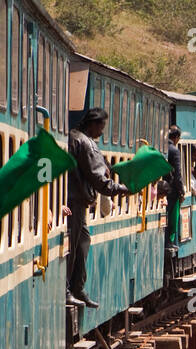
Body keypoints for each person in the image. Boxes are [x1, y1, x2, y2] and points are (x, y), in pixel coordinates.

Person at [65, 107, 130, 308]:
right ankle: (69, 290)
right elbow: (98, 177)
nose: (102, 132)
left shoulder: (73, 137)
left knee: (82, 244)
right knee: (75, 248)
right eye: (101, 127)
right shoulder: (85, 143)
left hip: (75, 200)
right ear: (92, 124)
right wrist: (121, 188)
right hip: (76, 203)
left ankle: (77, 288)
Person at [164, 125, 184, 254]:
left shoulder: (162, 148)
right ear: (176, 137)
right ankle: (169, 242)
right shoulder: (174, 151)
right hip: (171, 190)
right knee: (172, 217)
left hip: (161, 188)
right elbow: (178, 174)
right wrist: (181, 191)